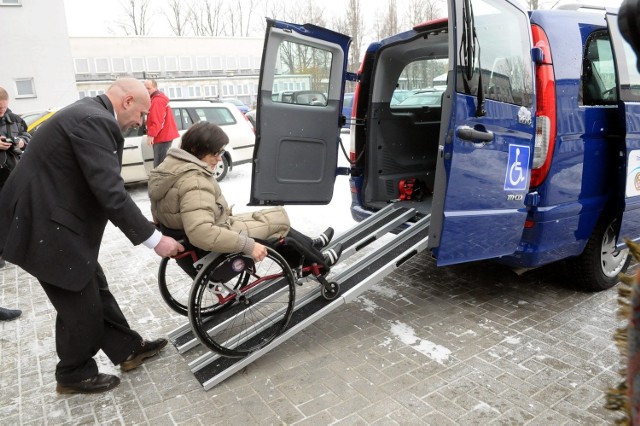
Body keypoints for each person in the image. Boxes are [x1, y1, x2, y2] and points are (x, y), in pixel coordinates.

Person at [0, 78, 184, 394]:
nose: (140, 123)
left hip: (50, 220)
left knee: (93, 287)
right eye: (140, 113)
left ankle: (127, 349)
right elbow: (110, 192)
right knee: (80, 306)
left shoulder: (89, 113)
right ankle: (73, 373)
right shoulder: (94, 120)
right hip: (41, 226)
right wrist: (154, 239)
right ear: (127, 101)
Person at [147, 121, 341, 270]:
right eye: (214, 153)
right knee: (278, 223)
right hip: (212, 241)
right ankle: (320, 262)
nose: (218, 159)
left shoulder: (170, 169)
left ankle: (311, 245)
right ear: (196, 150)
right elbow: (202, 233)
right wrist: (247, 246)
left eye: (221, 152)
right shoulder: (194, 181)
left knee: (272, 216)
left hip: (208, 230)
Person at [0, 86, 30, 272]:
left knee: (17, 212)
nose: (2, 112)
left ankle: (19, 249)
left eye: (3, 108)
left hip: (12, 173)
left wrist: (21, 142)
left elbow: (28, 136)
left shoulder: (16, 119)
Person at [143, 79, 179, 167]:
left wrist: (151, 134)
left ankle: (161, 181)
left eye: (149, 88)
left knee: (160, 166)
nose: (146, 91)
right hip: (163, 136)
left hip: (162, 137)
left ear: (155, 88)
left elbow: (158, 120)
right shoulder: (156, 99)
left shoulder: (157, 101)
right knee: (161, 165)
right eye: (145, 88)